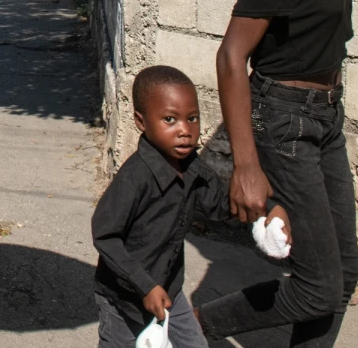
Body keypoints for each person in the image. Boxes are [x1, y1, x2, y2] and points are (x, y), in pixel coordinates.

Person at [198, 0, 358, 346]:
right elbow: (232, 56)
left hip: (326, 120)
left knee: (342, 274)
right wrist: (246, 167)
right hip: (285, 121)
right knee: (317, 289)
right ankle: (187, 329)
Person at [92, 66, 290, 348]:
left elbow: (222, 205)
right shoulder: (135, 178)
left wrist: (268, 209)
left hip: (169, 289)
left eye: (192, 118)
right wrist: (145, 286)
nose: (185, 131)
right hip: (123, 297)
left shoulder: (193, 167)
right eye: (170, 119)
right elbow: (105, 236)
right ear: (140, 121)